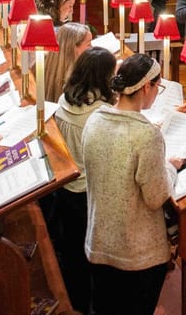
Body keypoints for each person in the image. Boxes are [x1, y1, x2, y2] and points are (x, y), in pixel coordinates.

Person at [83, 54, 180, 314]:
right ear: (146, 86)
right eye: (158, 87)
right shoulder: (146, 135)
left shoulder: (94, 120)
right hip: (137, 254)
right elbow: (156, 197)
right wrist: (171, 167)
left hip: (99, 242)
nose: (157, 94)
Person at [53, 47, 117, 314]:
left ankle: (75, 300)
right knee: (89, 253)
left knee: (71, 251)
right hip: (88, 191)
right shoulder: (100, 112)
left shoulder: (65, 99)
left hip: (66, 188)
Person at [44, 22, 93, 103]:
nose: (92, 48)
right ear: (73, 48)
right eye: (89, 44)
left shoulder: (44, 66)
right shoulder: (80, 78)